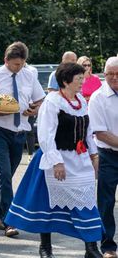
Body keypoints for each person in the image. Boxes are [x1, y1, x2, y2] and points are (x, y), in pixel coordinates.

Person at [5, 63, 103, 258]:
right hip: (56, 158)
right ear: (66, 81)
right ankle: (45, 248)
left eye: (82, 78)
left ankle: (91, 248)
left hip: (79, 159)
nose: (82, 82)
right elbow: (46, 134)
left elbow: (88, 131)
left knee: (87, 202)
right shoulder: (52, 102)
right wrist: (56, 161)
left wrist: (94, 155)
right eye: (78, 79)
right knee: (47, 205)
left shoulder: (81, 102)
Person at [0, 41, 46, 237]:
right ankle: (9, 221)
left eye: (22, 64)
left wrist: (35, 108)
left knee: (4, 177)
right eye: (15, 64)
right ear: (5, 60)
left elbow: (40, 99)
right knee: (5, 175)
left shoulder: (29, 75)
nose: (19, 67)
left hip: (20, 131)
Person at [89, 57, 118, 258]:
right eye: (110, 74)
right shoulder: (98, 97)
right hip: (108, 156)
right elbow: (100, 133)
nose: (114, 77)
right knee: (106, 203)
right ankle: (108, 246)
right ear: (104, 74)